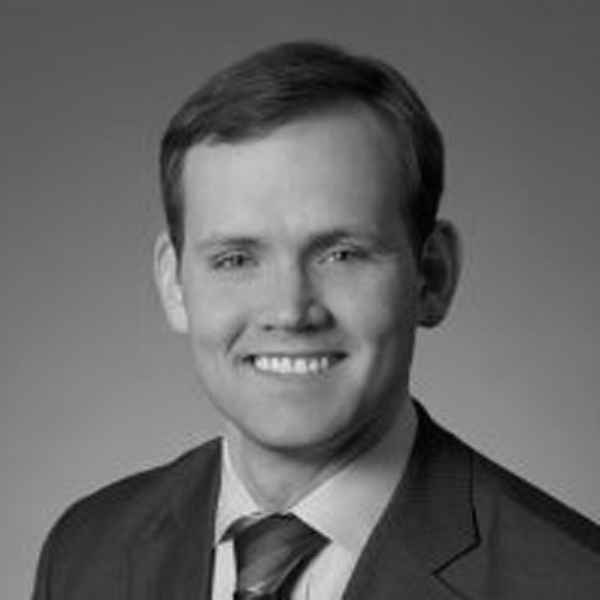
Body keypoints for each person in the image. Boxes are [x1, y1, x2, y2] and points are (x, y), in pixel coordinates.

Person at [32, 41, 600, 600]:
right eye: (236, 259)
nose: (289, 310)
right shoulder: (87, 550)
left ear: (432, 275)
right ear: (174, 284)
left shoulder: (569, 581)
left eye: (341, 254)